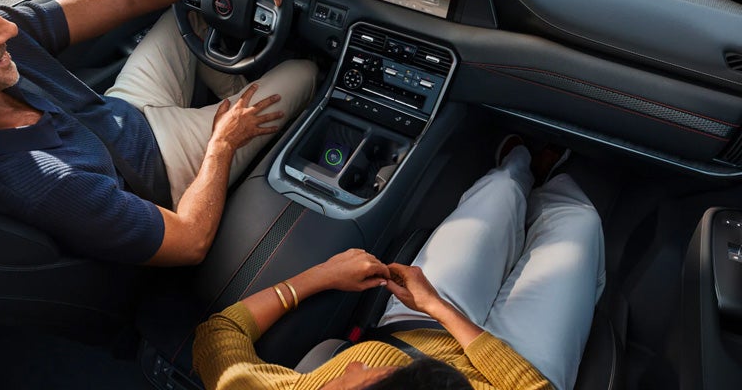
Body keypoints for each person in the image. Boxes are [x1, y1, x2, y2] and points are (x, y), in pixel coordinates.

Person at [192, 138, 606, 390]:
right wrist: (439, 306)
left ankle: (518, 170)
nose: (354, 362)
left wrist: (322, 275)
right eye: (375, 379)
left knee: (498, 193)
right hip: (515, 363)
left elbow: (217, 336)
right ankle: (543, 181)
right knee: (580, 223)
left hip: (418, 329)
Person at [0, 0, 317, 266]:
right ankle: (240, 117)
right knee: (306, 71)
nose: (6, 26)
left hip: (124, 108)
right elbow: (189, 241)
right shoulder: (42, 186)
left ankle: (239, 98)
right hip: (165, 166)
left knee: (196, 7)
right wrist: (223, 144)